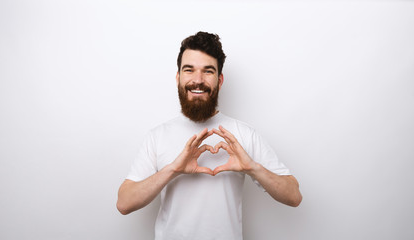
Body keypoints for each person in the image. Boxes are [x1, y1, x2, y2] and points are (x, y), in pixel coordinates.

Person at [117, 31, 302, 240]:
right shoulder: (157, 136)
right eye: (189, 70)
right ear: (178, 77)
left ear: (219, 80)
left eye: (208, 71)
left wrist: (252, 167)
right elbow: (124, 203)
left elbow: (294, 196)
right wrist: (173, 169)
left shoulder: (243, 134)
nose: (198, 80)